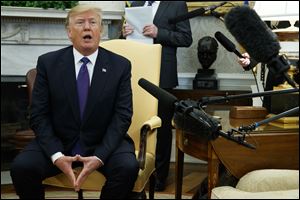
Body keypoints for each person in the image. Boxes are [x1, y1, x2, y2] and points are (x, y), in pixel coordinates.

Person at [10, 4, 139, 199]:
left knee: (128, 167)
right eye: (80, 23)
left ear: (100, 31)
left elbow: (122, 115)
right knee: (22, 167)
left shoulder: (120, 65)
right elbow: (38, 115)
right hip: (59, 140)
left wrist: (99, 156)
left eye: (93, 22)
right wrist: (56, 155)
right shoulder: (48, 63)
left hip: (102, 142)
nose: (87, 27)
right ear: (69, 32)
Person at [122, 1, 193, 191]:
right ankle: (129, 171)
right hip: (135, 72)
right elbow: (123, 39)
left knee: (160, 127)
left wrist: (158, 33)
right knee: (132, 121)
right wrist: (124, 32)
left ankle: (159, 176)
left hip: (162, 74)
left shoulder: (177, 4)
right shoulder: (135, 3)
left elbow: (186, 38)